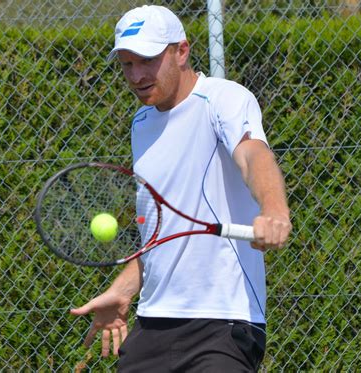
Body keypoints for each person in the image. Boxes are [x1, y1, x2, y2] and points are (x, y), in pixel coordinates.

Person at [70, 5, 292, 372]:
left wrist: (273, 211)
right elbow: (162, 233)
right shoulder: (141, 123)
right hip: (154, 323)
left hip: (225, 323)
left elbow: (254, 154)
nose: (137, 75)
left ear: (182, 51)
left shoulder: (223, 98)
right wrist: (123, 291)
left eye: (148, 60)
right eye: (127, 64)